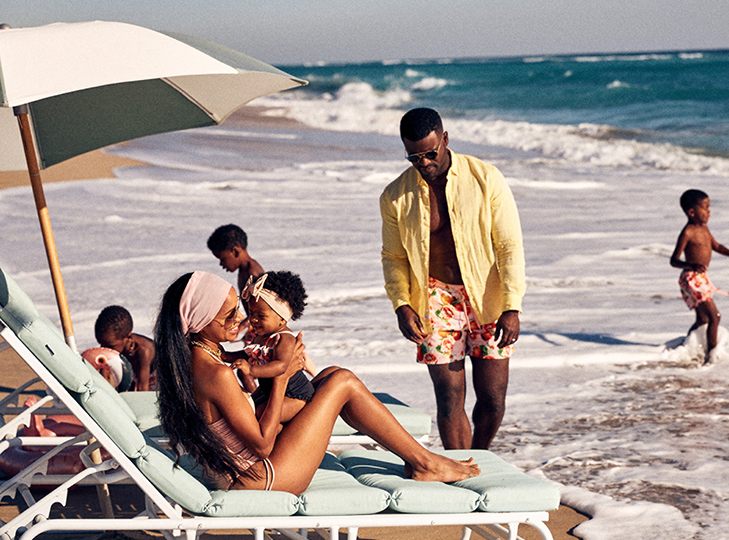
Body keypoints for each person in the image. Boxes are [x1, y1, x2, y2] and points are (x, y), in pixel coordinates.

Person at [154, 271, 479, 494]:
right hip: (260, 477)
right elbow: (263, 444)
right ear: (198, 321)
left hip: (238, 470)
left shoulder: (201, 359)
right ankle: (424, 462)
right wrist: (281, 377)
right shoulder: (217, 373)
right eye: (228, 316)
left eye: (238, 309)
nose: (240, 320)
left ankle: (422, 460)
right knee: (343, 382)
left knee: (327, 376)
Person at [380, 108, 525, 450]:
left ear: (445, 139)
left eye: (430, 153)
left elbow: (509, 245)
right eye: (414, 156)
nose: (424, 162)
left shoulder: (486, 178)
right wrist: (401, 305)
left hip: (487, 297)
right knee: (449, 396)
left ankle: (480, 455)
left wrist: (512, 305)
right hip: (433, 299)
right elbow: (394, 257)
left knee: (492, 400)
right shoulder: (395, 196)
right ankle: (460, 473)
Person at [669, 189, 729, 363]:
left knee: (702, 319)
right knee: (715, 316)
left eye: (709, 208)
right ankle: (711, 357)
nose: (709, 212)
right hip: (691, 279)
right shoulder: (687, 232)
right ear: (691, 212)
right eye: (705, 208)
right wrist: (691, 265)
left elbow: (716, 246)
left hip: (701, 278)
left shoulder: (704, 228)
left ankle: (684, 349)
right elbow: (673, 260)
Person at [228, 271, 315, 423]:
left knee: (261, 413)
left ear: (282, 318)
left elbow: (281, 366)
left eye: (261, 316)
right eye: (252, 314)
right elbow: (251, 355)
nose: (253, 320)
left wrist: (251, 370)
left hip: (295, 396)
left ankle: (278, 431)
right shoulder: (261, 336)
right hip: (271, 389)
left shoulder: (285, 338)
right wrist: (225, 355)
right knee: (248, 405)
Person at [95, 305, 156, 391]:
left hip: (157, 380)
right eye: (101, 344)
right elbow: (104, 377)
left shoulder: (144, 350)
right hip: (134, 375)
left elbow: (142, 388)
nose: (104, 349)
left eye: (110, 346)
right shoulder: (114, 344)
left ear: (128, 337)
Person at [207, 224, 264, 293]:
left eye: (222, 259)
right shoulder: (244, 269)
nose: (221, 264)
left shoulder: (253, 275)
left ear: (235, 252)